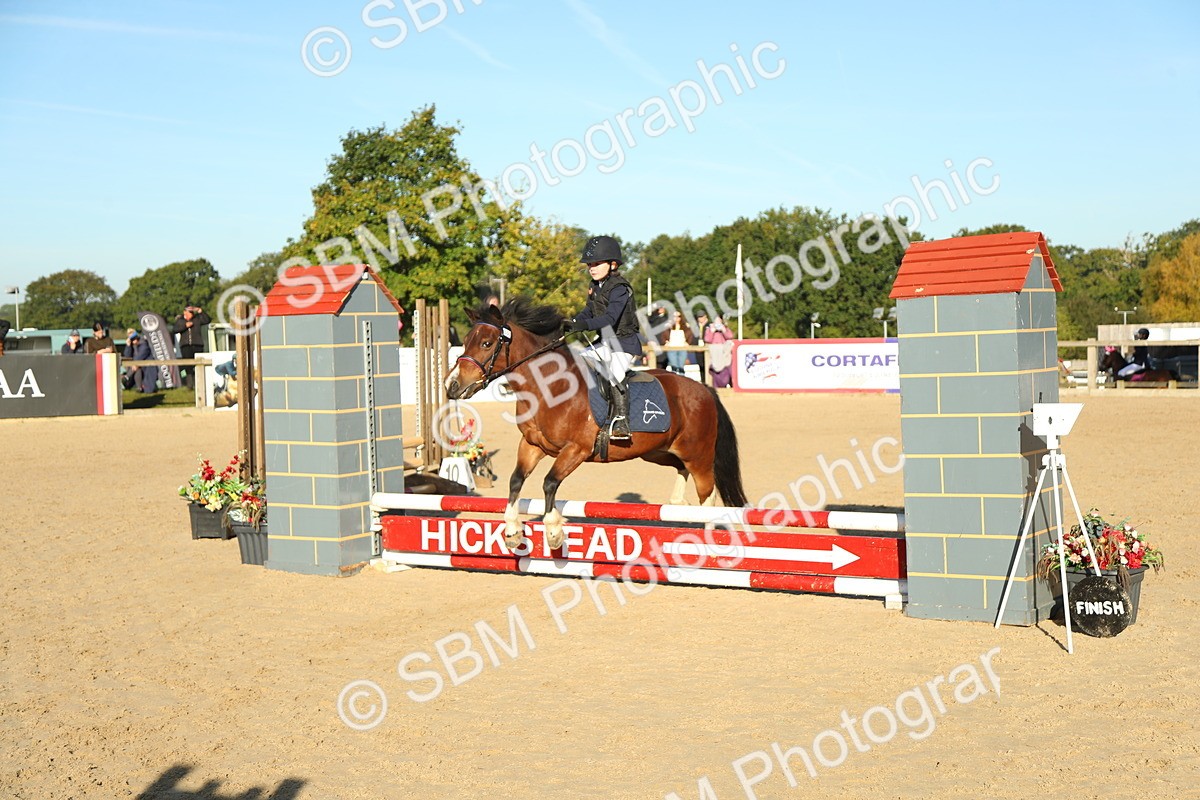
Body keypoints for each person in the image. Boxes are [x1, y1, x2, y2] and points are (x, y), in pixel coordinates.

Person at [563, 235, 641, 441]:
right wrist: (572, 322)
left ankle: (622, 421)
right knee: (578, 361)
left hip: (623, 343)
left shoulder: (620, 288)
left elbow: (609, 318)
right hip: (605, 342)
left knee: (614, 373)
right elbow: (588, 311)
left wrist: (584, 325)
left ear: (613, 264)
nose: (592, 268)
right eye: (590, 264)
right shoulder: (596, 286)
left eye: (597, 263)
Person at [172, 303, 211, 389]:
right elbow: (174, 329)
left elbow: (207, 320)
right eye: (189, 312)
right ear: (185, 312)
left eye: (192, 312)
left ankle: (199, 384)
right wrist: (184, 326)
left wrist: (200, 311)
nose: (191, 314)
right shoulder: (180, 320)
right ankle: (190, 385)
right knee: (188, 365)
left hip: (197, 344)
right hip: (185, 346)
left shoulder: (197, 319)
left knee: (198, 365)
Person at [704, 315, 735, 388]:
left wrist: (723, 330)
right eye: (716, 321)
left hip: (724, 354)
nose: (717, 323)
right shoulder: (709, 329)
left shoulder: (725, 329)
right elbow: (707, 339)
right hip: (714, 354)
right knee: (715, 374)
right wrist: (712, 331)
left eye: (719, 321)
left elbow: (730, 336)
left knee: (726, 372)